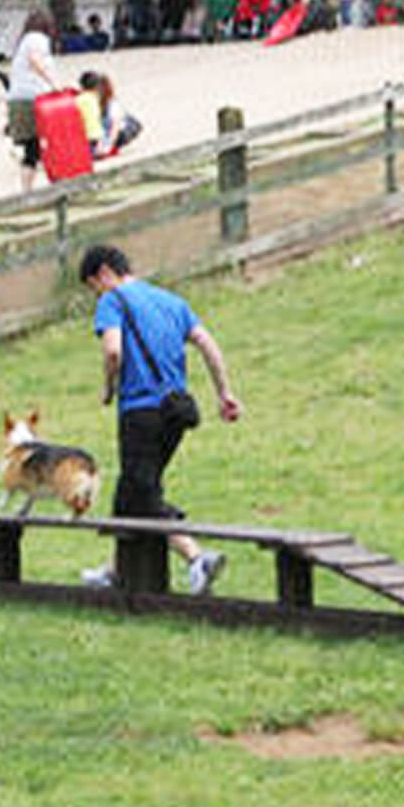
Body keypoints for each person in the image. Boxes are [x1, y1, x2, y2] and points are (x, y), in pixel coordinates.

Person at [76, 244, 243, 595]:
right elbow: (207, 342)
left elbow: (113, 349)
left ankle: (198, 559)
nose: (97, 294)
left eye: (94, 286)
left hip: (140, 411)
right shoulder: (171, 301)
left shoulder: (113, 301)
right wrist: (224, 392)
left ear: (104, 273)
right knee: (134, 491)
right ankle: (115, 571)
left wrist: (109, 388)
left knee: (142, 494)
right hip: (176, 412)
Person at [6, 9, 63, 191]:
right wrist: (54, 83)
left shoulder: (24, 41)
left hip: (18, 99)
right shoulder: (37, 39)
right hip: (34, 100)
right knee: (47, 144)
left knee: (32, 148)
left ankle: (27, 190)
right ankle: (56, 185)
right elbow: (35, 60)